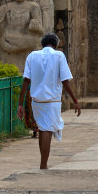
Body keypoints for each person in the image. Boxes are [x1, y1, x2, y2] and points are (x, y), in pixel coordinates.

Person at [19, 33, 80, 169]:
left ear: (42, 44)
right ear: (56, 44)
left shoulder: (32, 56)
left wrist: (20, 104)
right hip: (52, 101)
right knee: (47, 130)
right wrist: (75, 99)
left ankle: (43, 161)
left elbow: (25, 81)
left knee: (42, 128)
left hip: (36, 101)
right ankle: (43, 164)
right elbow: (65, 80)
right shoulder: (59, 56)